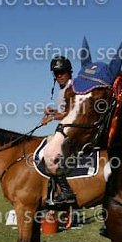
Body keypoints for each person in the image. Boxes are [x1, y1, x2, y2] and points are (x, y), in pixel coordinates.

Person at [44, 56, 76, 207]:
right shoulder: (62, 90)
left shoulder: (72, 87)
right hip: (64, 128)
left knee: (51, 154)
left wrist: (52, 117)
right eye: (56, 73)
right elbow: (63, 111)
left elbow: (71, 113)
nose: (59, 76)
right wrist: (53, 112)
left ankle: (66, 192)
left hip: (72, 130)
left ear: (69, 72)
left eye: (62, 72)